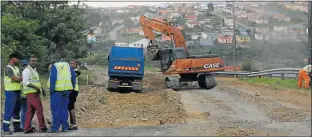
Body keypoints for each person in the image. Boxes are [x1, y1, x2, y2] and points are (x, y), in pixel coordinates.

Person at [48, 57, 76, 133]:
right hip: (66, 90)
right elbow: (73, 76)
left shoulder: (55, 66)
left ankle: (55, 128)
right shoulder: (67, 66)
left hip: (56, 91)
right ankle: (65, 127)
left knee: (56, 110)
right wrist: (72, 87)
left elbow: (53, 78)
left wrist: (51, 90)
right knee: (64, 109)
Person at [22, 55, 48, 133]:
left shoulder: (34, 71)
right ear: (29, 62)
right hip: (31, 92)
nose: (34, 62)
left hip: (34, 92)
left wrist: (42, 89)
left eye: (35, 61)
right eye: (32, 61)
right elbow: (25, 82)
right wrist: (36, 88)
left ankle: (27, 128)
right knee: (39, 108)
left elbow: (37, 82)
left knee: (30, 110)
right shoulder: (27, 70)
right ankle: (42, 127)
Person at [2, 53, 24, 135]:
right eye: (17, 58)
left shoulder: (17, 68)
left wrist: (19, 78)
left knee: (17, 110)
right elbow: (15, 78)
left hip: (18, 91)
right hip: (10, 91)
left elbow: (19, 77)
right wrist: (20, 78)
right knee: (9, 109)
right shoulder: (8, 68)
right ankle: (5, 128)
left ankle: (17, 127)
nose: (19, 60)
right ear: (12, 58)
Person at [68, 60, 81, 130]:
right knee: (70, 106)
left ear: (76, 65)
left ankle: (74, 124)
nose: (71, 65)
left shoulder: (76, 71)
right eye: (71, 63)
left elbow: (72, 77)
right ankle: (72, 123)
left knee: (71, 107)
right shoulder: (70, 71)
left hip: (74, 90)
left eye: (73, 64)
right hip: (71, 90)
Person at [20, 59, 28, 130]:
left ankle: (26, 125)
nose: (25, 66)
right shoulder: (22, 73)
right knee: (24, 111)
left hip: (26, 94)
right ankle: (23, 125)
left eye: (26, 65)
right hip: (23, 95)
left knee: (25, 111)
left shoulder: (24, 72)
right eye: (24, 65)